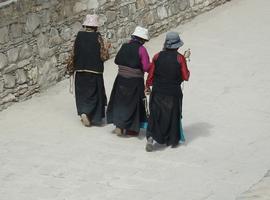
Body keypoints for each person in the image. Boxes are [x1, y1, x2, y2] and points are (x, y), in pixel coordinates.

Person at [145, 32, 190, 152]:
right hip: (173, 92)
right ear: (177, 45)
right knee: (172, 114)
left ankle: (151, 137)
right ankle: (171, 139)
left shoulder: (157, 56)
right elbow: (185, 76)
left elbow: (151, 74)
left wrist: (147, 85)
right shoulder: (180, 58)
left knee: (155, 114)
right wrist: (186, 63)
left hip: (158, 91)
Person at [106, 26, 150, 136]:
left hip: (121, 79)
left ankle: (119, 125)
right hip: (135, 82)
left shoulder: (124, 46)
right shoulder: (142, 50)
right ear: (142, 39)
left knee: (120, 102)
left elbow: (117, 60)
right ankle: (131, 129)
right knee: (133, 104)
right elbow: (146, 67)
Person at [72, 14, 110, 126]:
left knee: (82, 92)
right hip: (95, 71)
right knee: (94, 93)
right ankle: (90, 114)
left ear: (85, 26)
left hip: (80, 70)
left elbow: (74, 52)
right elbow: (104, 56)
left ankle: (83, 111)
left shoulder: (79, 36)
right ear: (96, 27)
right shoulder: (98, 37)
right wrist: (107, 48)